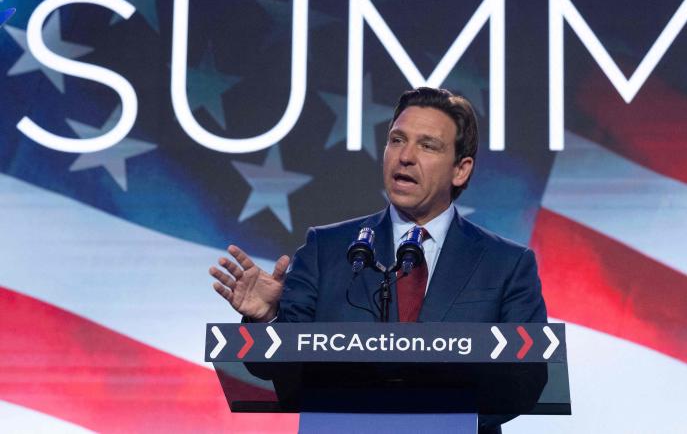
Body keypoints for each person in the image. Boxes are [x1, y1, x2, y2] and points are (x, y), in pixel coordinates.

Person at [209, 87, 547, 431]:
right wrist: (268, 321)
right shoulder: (326, 250)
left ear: (460, 170)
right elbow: (275, 369)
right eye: (397, 140)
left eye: (427, 145)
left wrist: (435, 418)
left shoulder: (506, 265)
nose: (405, 156)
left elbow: (526, 379)